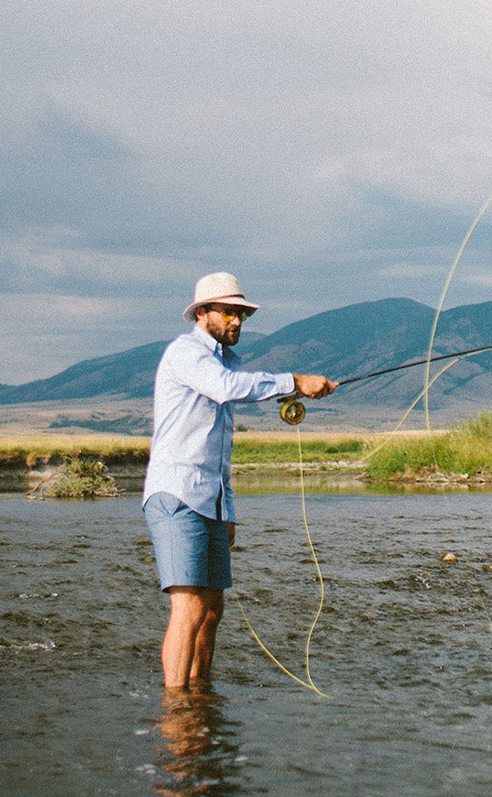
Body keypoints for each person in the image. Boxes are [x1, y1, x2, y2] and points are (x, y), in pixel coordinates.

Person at [142, 271, 336, 688]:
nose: (237, 322)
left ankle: (200, 694)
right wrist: (295, 382)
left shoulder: (227, 361)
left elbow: (219, 449)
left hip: (209, 500)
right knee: (189, 607)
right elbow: (227, 389)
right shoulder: (187, 354)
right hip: (176, 496)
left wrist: (227, 510)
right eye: (229, 313)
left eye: (242, 315)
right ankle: (176, 709)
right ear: (202, 313)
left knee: (212, 610)